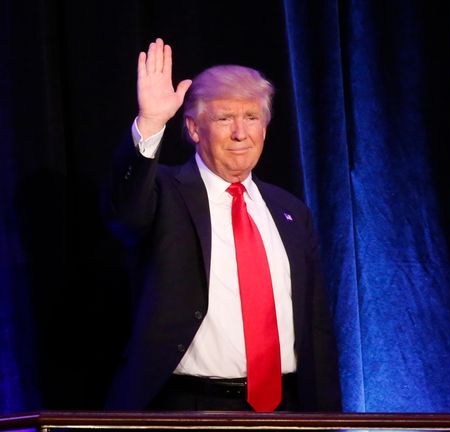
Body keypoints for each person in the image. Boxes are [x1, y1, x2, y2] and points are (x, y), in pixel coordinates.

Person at [104, 38, 341, 412]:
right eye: (224, 118)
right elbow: (127, 213)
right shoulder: (164, 192)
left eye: (251, 118)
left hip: (286, 407)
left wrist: (329, 418)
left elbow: (316, 327)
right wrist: (150, 123)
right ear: (194, 129)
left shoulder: (290, 210)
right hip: (189, 407)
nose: (240, 133)